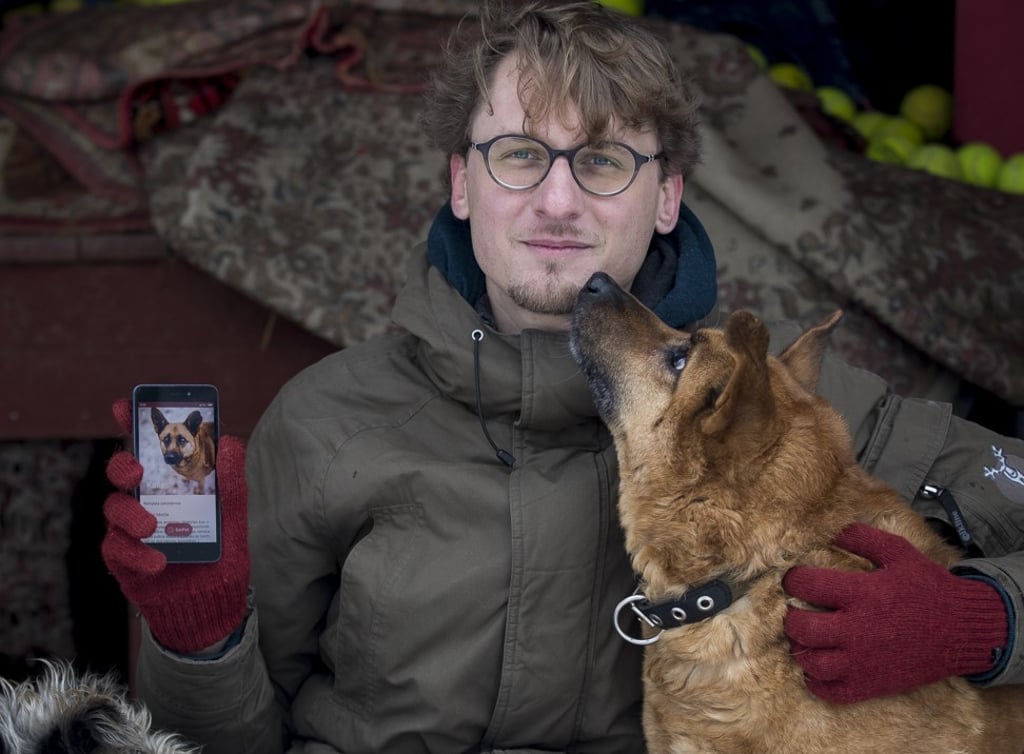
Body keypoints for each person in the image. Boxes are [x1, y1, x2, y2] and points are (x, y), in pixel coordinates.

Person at [100, 2, 1024, 752]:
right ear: (463, 185)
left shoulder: (780, 407)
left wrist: (981, 620)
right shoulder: (328, 424)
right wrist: (199, 637)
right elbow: (217, 744)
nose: (556, 199)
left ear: (666, 198)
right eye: (519, 154)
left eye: (603, 160)